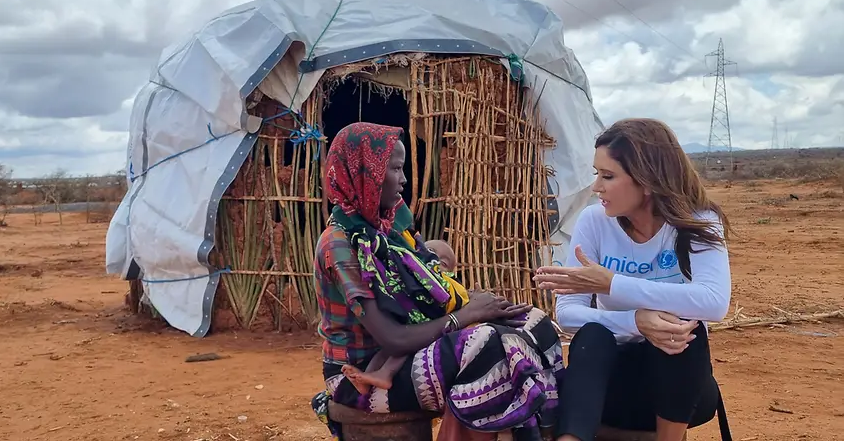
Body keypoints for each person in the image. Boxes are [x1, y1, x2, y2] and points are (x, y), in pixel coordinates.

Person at [311, 121, 565, 441]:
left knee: (534, 323)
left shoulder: (391, 229)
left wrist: (473, 303)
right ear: (366, 174)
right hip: (360, 376)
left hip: (414, 351)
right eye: (395, 169)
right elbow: (392, 338)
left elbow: (431, 289)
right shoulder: (340, 243)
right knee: (486, 346)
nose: (404, 179)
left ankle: (549, 432)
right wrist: (466, 315)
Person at [533, 118, 733, 441]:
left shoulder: (698, 221)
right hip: (608, 389)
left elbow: (714, 302)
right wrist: (636, 322)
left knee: (680, 329)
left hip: (681, 394)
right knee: (593, 336)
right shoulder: (594, 222)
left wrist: (612, 284)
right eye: (597, 174)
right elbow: (567, 313)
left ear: (647, 181)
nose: (596, 187)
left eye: (608, 176)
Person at [339, 239, 467, 394]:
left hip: (427, 332)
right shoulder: (409, 273)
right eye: (428, 252)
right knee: (386, 349)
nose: (434, 261)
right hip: (409, 326)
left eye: (443, 262)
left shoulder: (449, 284)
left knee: (403, 347)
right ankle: (366, 377)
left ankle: (385, 374)